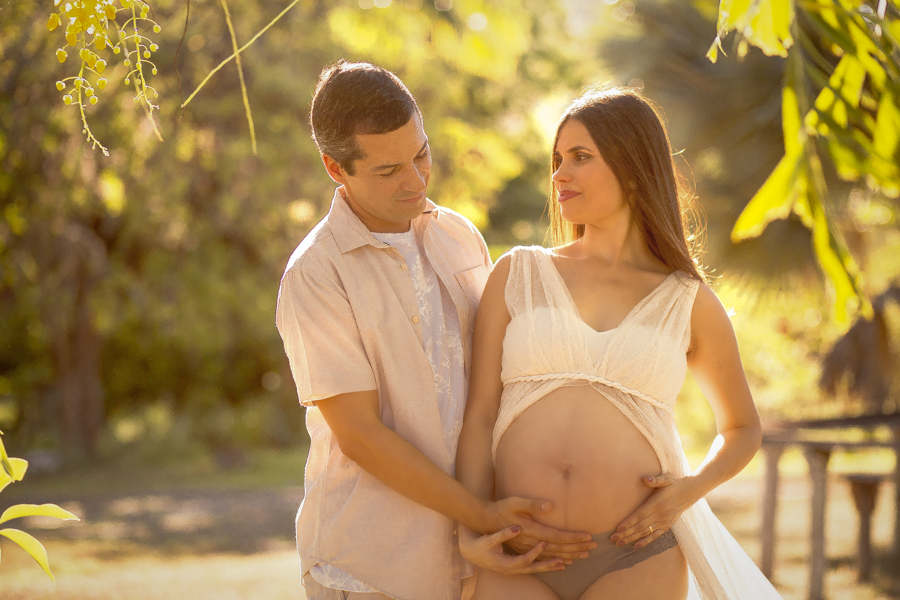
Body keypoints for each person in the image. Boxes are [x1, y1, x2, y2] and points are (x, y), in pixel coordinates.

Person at [275, 60, 594, 600]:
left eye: (421, 154)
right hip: (372, 567)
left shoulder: (459, 236)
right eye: (388, 170)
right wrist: (483, 515)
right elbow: (360, 436)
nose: (416, 178)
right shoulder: (316, 276)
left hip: (479, 561)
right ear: (335, 168)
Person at [456, 87, 785, 599]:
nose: (560, 174)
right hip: (518, 551)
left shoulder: (687, 300)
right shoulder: (518, 273)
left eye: (581, 157)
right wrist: (473, 528)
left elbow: (742, 428)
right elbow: (478, 416)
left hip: (637, 557)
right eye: (558, 159)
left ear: (633, 167)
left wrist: (687, 493)